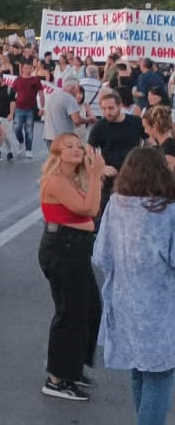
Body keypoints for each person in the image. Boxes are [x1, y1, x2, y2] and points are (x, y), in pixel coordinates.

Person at [93, 147, 175, 425]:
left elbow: (101, 255)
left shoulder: (116, 205)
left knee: (139, 371)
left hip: (125, 302)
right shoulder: (169, 211)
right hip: (160, 308)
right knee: (160, 375)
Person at [36, 133, 104, 401]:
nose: (76, 149)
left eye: (79, 145)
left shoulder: (74, 179)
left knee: (90, 309)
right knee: (70, 313)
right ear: (57, 153)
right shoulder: (55, 181)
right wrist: (96, 175)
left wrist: (94, 173)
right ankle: (57, 378)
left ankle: (70, 366)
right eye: (68, 146)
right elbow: (89, 209)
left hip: (75, 247)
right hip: (63, 248)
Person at [88, 89, 145, 215]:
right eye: (104, 109)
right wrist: (102, 167)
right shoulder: (100, 126)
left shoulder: (135, 122)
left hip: (132, 174)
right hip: (110, 176)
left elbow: (150, 142)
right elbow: (89, 150)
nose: (107, 112)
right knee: (106, 212)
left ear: (120, 106)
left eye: (111, 108)